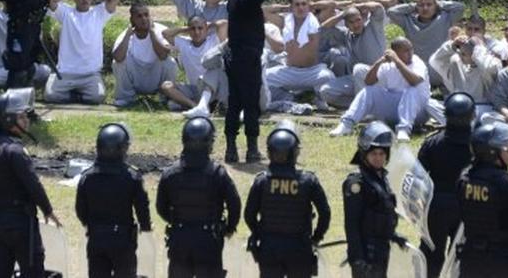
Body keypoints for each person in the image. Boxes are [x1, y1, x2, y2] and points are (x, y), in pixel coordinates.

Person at [0, 87, 61, 278]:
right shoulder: (15, 150)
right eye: (22, 116)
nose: (27, 120)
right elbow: (32, 184)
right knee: (32, 272)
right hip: (20, 222)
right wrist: (48, 210)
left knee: (1, 271)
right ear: (9, 120)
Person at [224, 0, 296, 163]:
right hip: (246, 59)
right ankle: (251, 149)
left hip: (238, 57)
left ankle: (232, 150)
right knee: (249, 103)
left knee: (235, 102)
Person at [244, 120, 331, 278]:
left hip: (269, 247)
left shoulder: (261, 181)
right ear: (295, 152)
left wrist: (259, 233)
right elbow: (325, 213)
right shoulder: (308, 181)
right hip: (300, 248)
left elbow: (249, 215)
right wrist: (316, 238)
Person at [156, 117, 241, 277]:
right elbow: (234, 205)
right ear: (209, 143)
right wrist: (229, 228)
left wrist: (176, 221)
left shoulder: (170, 174)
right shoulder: (218, 174)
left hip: (179, 238)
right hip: (208, 240)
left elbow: (161, 208)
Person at [456, 123, 508, 277]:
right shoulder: (506, 183)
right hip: (503, 259)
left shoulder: (464, 179)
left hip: (471, 258)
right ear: (492, 153)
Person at [76, 123, 152, 278]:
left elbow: (80, 209)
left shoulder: (87, 178)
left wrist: (89, 224)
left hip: (96, 238)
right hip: (122, 240)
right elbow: (142, 208)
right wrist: (145, 227)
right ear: (123, 149)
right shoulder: (132, 177)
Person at [417, 93, 475, 278]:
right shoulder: (479, 144)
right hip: (468, 204)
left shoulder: (432, 142)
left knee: (431, 257)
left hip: (435, 208)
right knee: (463, 258)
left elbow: (418, 177)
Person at [329, 37, 431, 141]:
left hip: (419, 111)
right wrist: (379, 62)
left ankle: (403, 130)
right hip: (395, 109)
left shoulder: (417, 62)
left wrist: (397, 61)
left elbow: (414, 82)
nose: (410, 53)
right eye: (406, 51)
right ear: (395, 53)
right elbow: (368, 82)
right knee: (369, 91)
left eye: (411, 49)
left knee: (412, 90)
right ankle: (346, 125)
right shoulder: (388, 65)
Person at [343, 121, 407, 278]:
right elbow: (352, 224)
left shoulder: (382, 177)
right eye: (374, 154)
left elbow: (382, 211)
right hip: (367, 251)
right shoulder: (357, 182)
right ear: (364, 154)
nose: (378, 158)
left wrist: (393, 235)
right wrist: (357, 259)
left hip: (381, 248)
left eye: (382, 153)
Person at [182, 22, 284, 120]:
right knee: (214, 69)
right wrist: (224, 45)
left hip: (257, 100)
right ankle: (202, 107)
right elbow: (206, 62)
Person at [44, 0, 120, 104]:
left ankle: (77, 96)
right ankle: (73, 96)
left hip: (90, 74)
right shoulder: (66, 13)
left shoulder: (99, 13)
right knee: (50, 96)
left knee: (98, 97)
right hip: (66, 72)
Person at [264, 0, 335, 111]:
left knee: (329, 77)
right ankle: (288, 97)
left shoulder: (316, 20)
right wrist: (285, 7)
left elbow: (331, 5)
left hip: (312, 72)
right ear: (291, 7)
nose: (300, 8)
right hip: (290, 71)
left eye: (303, 4)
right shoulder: (284, 22)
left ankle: (319, 99)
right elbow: (264, 10)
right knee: (264, 77)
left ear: (309, 6)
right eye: (296, 5)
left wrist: (313, 4)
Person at [319, 0, 390, 109]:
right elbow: (322, 28)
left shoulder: (373, 27)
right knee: (325, 91)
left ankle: (362, 109)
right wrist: (343, 14)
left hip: (379, 77)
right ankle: (362, 105)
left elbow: (378, 7)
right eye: (351, 22)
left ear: (362, 19)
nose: (356, 24)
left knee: (358, 69)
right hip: (358, 80)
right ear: (346, 24)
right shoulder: (345, 35)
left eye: (358, 20)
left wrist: (357, 5)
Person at [387, 0, 464, 87]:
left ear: (435, 6)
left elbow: (460, 7)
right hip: (418, 68)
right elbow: (391, 12)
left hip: (440, 67)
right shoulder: (408, 21)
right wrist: (413, 6)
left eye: (429, 5)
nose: (425, 8)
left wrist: (439, 4)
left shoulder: (445, 18)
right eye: (421, 5)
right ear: (416, 7)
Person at [111, 2, 178, 108]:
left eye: (146, 15)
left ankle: (167, 97)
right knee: (118, 63)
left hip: (155, 76)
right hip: (136, 77)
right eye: (139, 16)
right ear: (132, 19)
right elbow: (118, 57)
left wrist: (152, 33)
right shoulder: (126, 34)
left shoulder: (160, 30)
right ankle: (125, 98)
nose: (144, 19)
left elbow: (163, 55)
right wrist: (128, 35)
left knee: (170, 62)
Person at [426, 32, 502, 125]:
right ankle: (459, 125)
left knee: (482, 117)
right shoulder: (456, 62)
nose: (460, 56)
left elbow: (490, 68)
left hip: (480, 107)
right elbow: (435, 61)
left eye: (464, 54)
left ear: (475, 54)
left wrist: (479, 47)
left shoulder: (488, 64)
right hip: (458, 107)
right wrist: (452, 45)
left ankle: (457, 126)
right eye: (460, 53)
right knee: (428, 104)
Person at [161, 16, 227, 112]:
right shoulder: (184, 43)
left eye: (200, 28)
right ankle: (195, 106)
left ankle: (202, 105)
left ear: (206, 29)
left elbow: (223, 24)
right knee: (166, 86)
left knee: (172, 104)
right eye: (193, 29)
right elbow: (165, 33)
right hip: (193, 88)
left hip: (212, 88)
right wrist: (186, 28)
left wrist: (209, 25)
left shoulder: (214, 40)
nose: (196, 32)